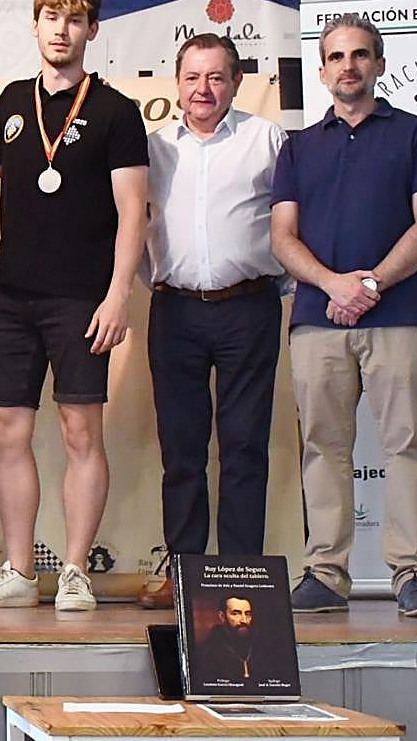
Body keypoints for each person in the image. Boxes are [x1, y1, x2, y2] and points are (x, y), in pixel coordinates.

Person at [0, 0, 148, 613]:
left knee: (79, 432)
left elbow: (133, 212)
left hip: (81, 299)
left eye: (74, 20)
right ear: (35, 25)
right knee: (5, 430)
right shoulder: (13, 102)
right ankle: (19, 570)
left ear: (92, 29)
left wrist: (117, 295)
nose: (61, 30)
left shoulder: (117, 111)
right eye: (50, 17)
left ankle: (74, 570)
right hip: (12, 296)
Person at [271, 13, 417, 618]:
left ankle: (413, 573)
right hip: (318, 319)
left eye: (360, 54)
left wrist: (370, 283)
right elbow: (282, 237)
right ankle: (325, 573)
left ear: (379, 65)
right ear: (321, 71)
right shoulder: (297, 147)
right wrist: (333, 284)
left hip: (400, 316)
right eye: (337, 56)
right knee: (323, 447)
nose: (349, 66)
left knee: (409, 445)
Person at [138, 34, 286, 610]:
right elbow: (130, 224)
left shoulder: (267, 140)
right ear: (177, 83)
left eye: (216, 77)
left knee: (245, 445)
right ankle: (184, 572)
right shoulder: (153, 148)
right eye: (193, 77)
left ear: (236, 82)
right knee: (182, 449)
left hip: (249, 307)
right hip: (174, 310)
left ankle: (243, 573)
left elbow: (295, 218)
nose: (203, 89)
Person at [195, 596, 287, 683]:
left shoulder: (264, 649)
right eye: (236, 614)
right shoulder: (206, 652)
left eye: (248, 614)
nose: (244, 620)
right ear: (222, 616)